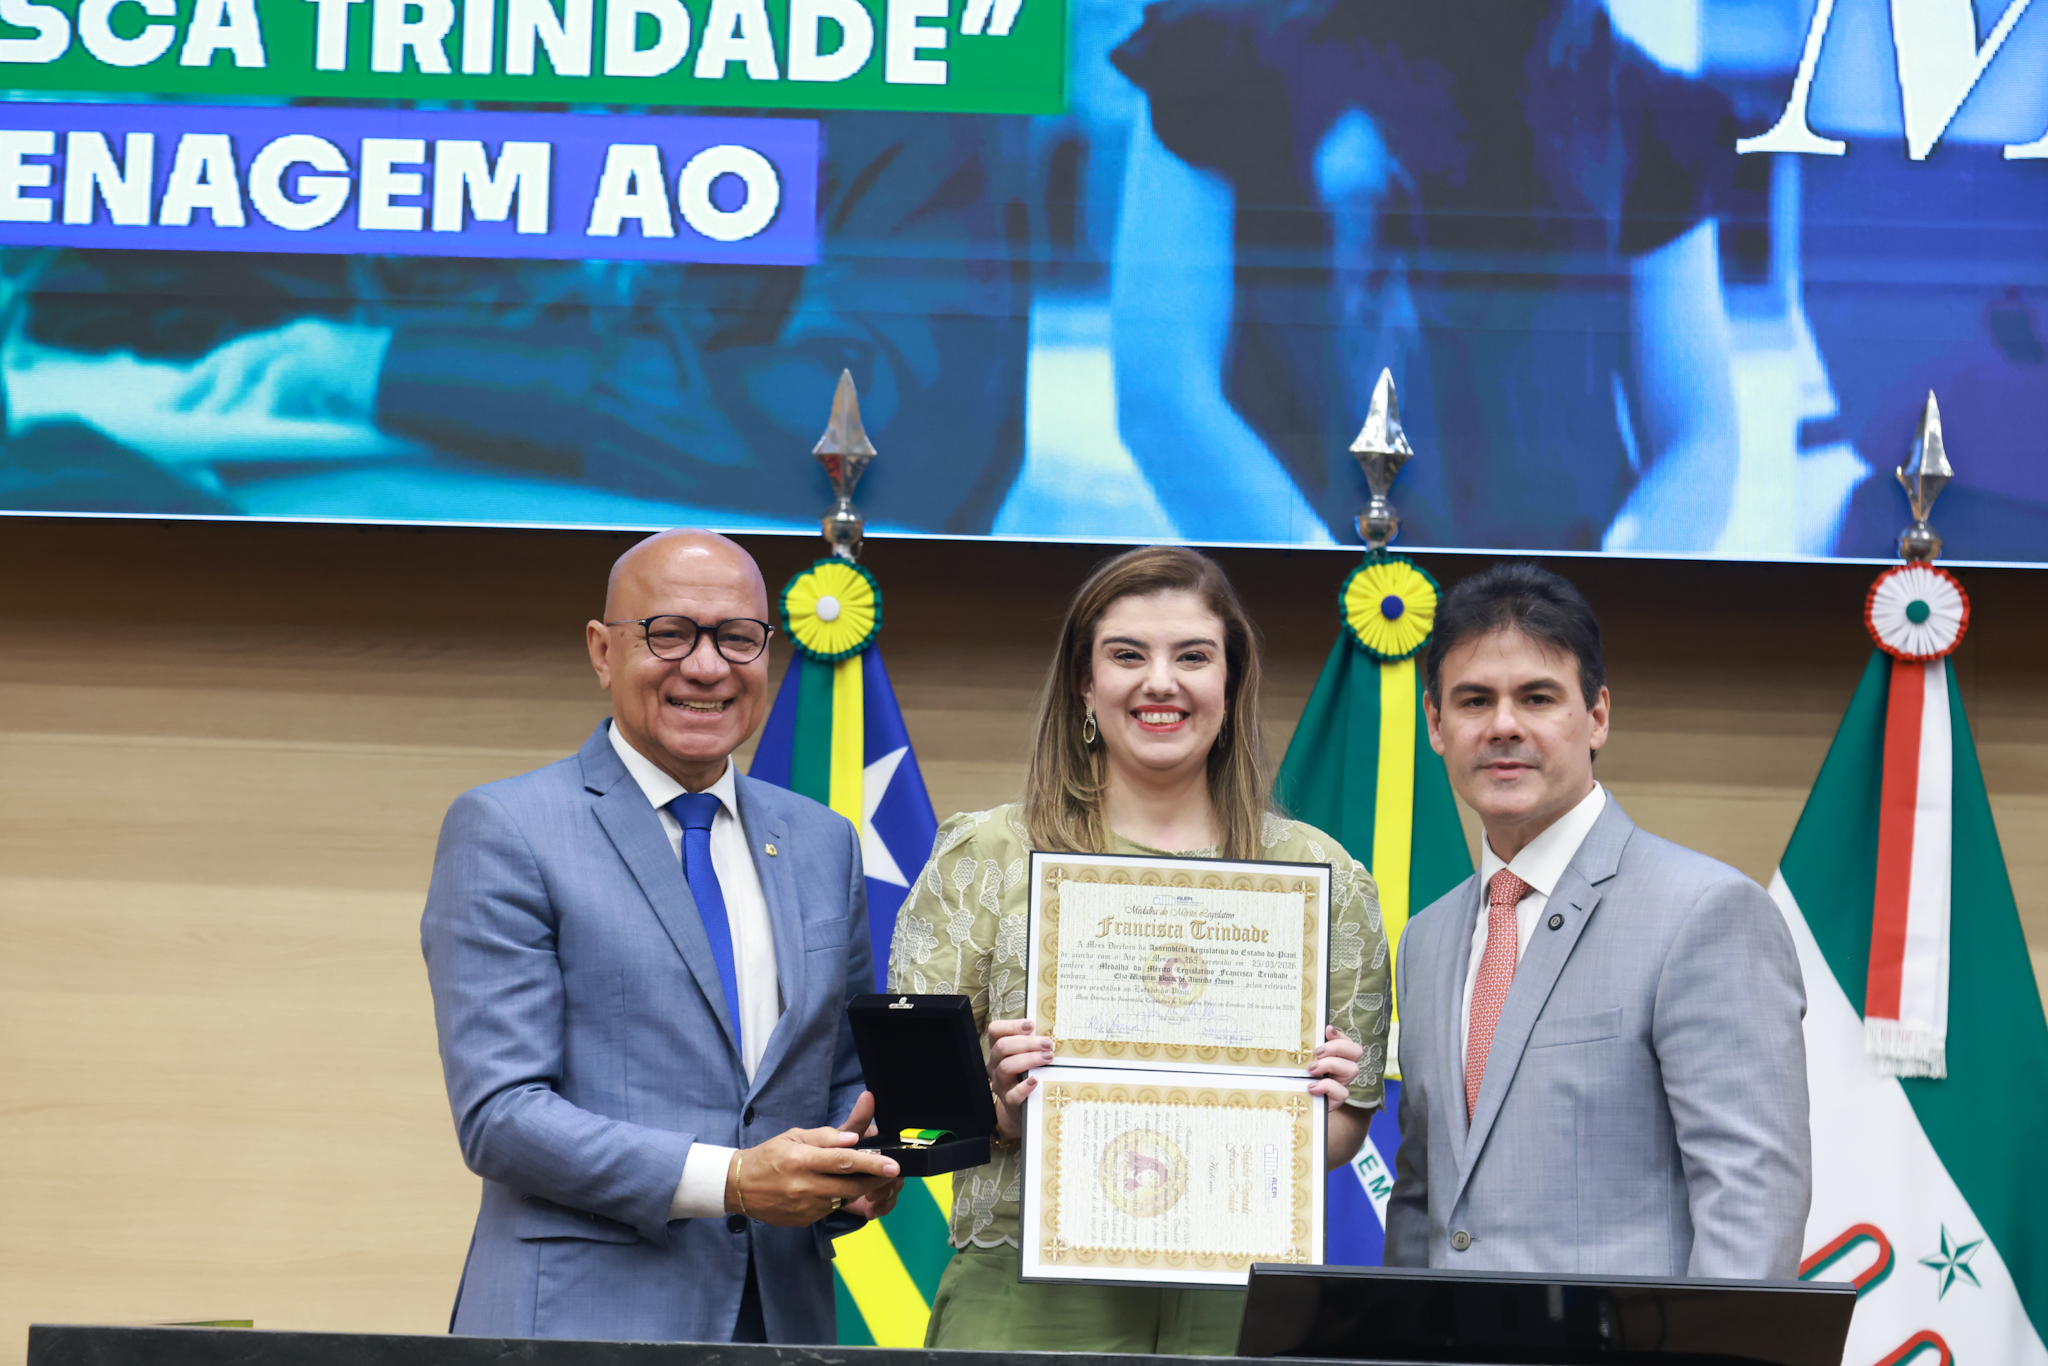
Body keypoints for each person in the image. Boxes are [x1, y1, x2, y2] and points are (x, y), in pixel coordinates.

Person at [887, 545, 1390, 1354]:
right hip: (1025, 1297)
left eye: (1193, 656)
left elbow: (1344, 1133)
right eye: (1127, 655)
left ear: (1231, 682)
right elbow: (911, 1126)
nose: (1161, 682)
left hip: (1238, 1297)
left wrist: (1312, 1110)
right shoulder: (985, 856)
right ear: (1085, 684)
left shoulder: (1324, 879)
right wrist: (999, 1108)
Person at [420, 529, 902, 1343]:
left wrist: (858, 1167)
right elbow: (501, 1114)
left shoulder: (824, 843)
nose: (707, 667)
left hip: (779, 1322)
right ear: (602, 651)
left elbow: (839, 1081)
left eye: (737, 637)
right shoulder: (508, 828)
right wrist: (734, 1179)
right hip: (579, 1325)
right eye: (670, 633)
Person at [1109, 0, 1743, 552]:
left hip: (1546, 623)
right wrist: (1341, 610)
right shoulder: (1219, 51)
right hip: (1325, 621)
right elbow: (1161, 394)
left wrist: (1597, 609)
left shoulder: (1642, 107)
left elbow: (1700, 433)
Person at [1385, 562, 1809, 1277]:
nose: (1504, 726)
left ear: (1598, 717)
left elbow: (1752, 1209)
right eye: (1474, 701)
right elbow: (1423, 1202)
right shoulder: (1425, 939)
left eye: (1538, 697)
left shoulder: (1707, 914)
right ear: (1435, 723)